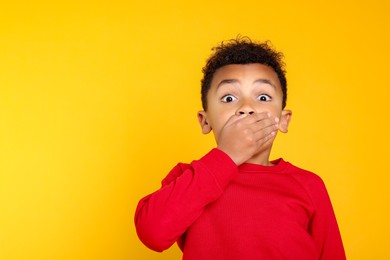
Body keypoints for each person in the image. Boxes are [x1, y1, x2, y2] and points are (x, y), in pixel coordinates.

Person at [134, 36, 346, 259]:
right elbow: (152, 233)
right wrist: (226, 155)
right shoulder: (187, 178)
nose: (246, 108)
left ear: (284, 120)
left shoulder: (308, 186)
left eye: (263, 97)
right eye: (228, 98)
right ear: (205, 121)